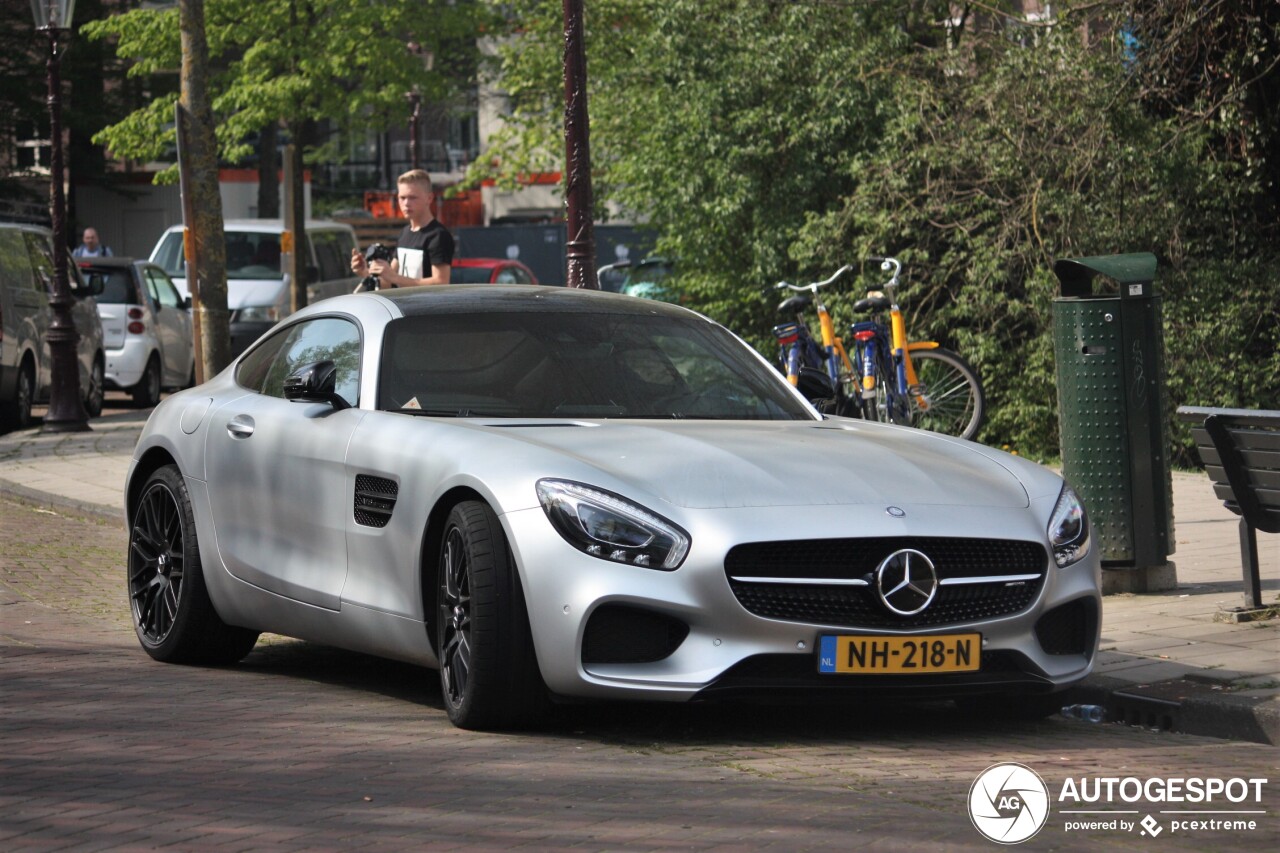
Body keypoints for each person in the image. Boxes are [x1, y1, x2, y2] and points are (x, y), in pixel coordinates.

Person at [350, 169, 454, 290]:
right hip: (403, 307)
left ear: (429, 198)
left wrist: (394, 277)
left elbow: (441, 282)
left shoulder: (438, 236)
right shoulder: (405, 233)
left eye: (412, 197)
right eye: (402, 197)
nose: (406, 203)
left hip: (425, 307)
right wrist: (365, 272)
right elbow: (387, 283)